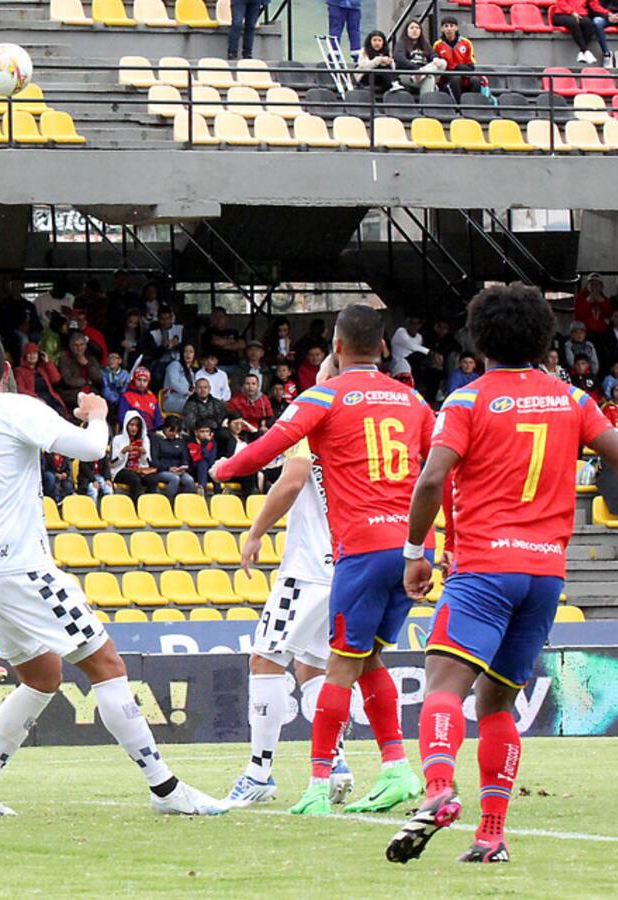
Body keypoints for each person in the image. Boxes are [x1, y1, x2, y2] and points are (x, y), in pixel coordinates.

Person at [387, 283, 618, 864]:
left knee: (442, 686)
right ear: (545, 341)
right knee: (496, 705)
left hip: (486, 568)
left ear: (479, 338)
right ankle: (491, 835)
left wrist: (415, 549)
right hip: (544, 577)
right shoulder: (572, 401)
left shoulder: (466, 401)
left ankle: (439, 789)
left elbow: (433, 479)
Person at [0, 325, 227, 816]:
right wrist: (97, 416)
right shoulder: (18, 406)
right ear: (7, 370)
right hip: (23, 568)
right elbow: (93, 450)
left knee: (42, 678)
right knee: (108, 666)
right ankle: (166, 789)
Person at [212, 304, 432, 818]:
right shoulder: (413, 401)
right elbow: (437, 472)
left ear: (334, 347)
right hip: (407, 551)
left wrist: (225, 468)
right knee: (360, 661)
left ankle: (289, 776)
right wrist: (436, 545)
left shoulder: (323, 401)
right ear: (383, 347)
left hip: (338, 559)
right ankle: (395, 766)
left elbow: (275, 458)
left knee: (289, 660)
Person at [224, 440, 353, 809]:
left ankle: (258, 773)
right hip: (348, 566)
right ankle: (335, 763)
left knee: (265, 660)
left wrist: (255, 532)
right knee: (316, 668)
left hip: (308, 571)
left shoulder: (311, 428)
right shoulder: (356, 425)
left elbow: (293, 481)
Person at [111, 411, 164, 499]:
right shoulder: (118, 439)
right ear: (126, 425)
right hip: (121, 469)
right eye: (131, 425)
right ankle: (135, 506)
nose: (134, 428)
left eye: (136, 426)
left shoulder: (145, 439)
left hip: (139, 469)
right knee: (134, 479)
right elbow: (113, 463)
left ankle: (148, 505)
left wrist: (143, 454)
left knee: (153, 479)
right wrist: (123, 452)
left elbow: (146, 462)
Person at [149, 416, 197, 500]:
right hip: (162, 470)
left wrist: (183, 466)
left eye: (176, 431)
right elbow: (154, 460)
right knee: (174, 479)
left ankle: (186, 504)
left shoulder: (180, 440)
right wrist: (168, 468)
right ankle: (169, 503)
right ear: (165, 428)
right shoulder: (156, 439)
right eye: (171, 430)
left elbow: (185, 457)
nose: (174, 433)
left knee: (189, 480)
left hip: (178, 470)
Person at [395, 20, 447, 97]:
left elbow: (432, 54)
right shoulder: (401, 43)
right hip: (407, 74)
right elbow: (400, 60)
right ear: (407, 31)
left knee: (442, 62)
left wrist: (435, 59)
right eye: (412, 28)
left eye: (417, 28)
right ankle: (425, 105)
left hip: (421, 74)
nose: (415, 30)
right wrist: (416, 69)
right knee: (429, 78)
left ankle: (422, 73)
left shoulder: (424, 44)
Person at [432, 16, 479, 102]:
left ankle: (474, 107)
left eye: (451, 26)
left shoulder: (466, 43)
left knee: (475, 81)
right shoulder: (437, 45)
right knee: (455, 79)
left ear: (456, 27)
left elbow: (471, 67)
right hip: (447, 79)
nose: (449, 29)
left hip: (464, 75)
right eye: (446, 26)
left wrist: (459, 68)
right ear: (442, 29)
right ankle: (458, 108)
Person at [15, 342, 66, 415]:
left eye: (35, 353)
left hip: (51, 399)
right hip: (36, 401)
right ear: (25, 356)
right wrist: (36, 398)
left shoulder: (42, 368)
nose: (32, 356)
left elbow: (56, 379)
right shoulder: (19, 371)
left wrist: (47, 362)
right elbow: (20, 389)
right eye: (29, 353)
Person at [58, 331, 103, 410]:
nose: (79, 348)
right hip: (72, 392)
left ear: (85, 345)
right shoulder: (65, 359)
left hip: (90, 391)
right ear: (70, 346)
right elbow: (68, 380)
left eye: (82, 344)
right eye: (76, 345)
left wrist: (87, 364)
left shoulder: (90, 358)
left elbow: (98, 377)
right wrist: (85, 381)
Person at [549, 0, 602, 64]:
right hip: (561, 14)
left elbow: (594, 5)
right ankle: (585, 51)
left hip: (579, 14)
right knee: (573, 22)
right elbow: (561, 3)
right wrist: (572, 12)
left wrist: (608, 14)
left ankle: (581, 52)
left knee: (588, 23)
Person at [116, 366, 163, 431]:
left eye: (145, 380)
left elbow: (158, 421)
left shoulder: (152, 398)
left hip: (151, 433)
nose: (142, 383)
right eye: (139, 379)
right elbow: (122, 419)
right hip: (132, 432)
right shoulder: (126, 396)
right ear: (134, 380)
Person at [356, 30, 398, 96]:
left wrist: (389, 62)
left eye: (379, 40)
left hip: (381, 79)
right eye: (374, 40)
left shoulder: (386, 51)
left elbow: (393, 68)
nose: (377, 43)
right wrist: (379, 60)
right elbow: (364, 66)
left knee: (385, 68)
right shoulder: (364, 51)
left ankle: (394, 84)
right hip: (366, 77)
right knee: (382, 68)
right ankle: (394, 84)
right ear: (370, 41)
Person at [163, 343, 201, 415]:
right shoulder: (174, 365)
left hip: (185, 399)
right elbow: (173, 383)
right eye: (185, 351)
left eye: (191, 352)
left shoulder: (191, 371)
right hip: (172, 399)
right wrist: (188, 392)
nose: (188, 354)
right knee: (196, 406)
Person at [188, 422, 219, 492]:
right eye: (202, 431)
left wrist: (205, 443)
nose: (205, 434)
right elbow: (194, 459)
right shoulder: (190, 442)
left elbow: (211, 460)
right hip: (193, 470)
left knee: (214, 464)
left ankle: (218, 492)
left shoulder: (213, 443)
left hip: (208, 470)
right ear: (196, 432)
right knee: (202, 463)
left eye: (207, 431)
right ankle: (203, 491)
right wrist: (204, 444)